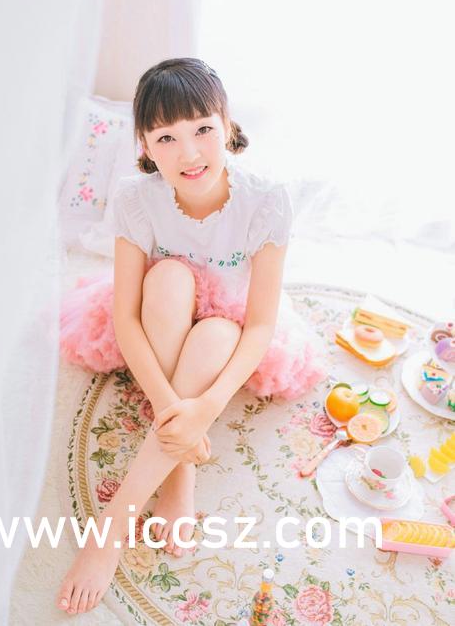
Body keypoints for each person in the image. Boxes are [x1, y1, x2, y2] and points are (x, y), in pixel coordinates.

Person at [56, 57, 328, 615]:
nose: (189, 153)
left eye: (203, 129)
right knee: (170, 277)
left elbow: (259, 324)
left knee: (214, 336)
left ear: (227, 124)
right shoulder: (136, 198)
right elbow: (126, 317)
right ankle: (176, 468)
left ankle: (121, 517)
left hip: (230, 322)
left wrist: (206, 408)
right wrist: (172, 409)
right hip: (162, 310)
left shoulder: (265, 199)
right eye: (167, 138)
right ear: (145, 146)